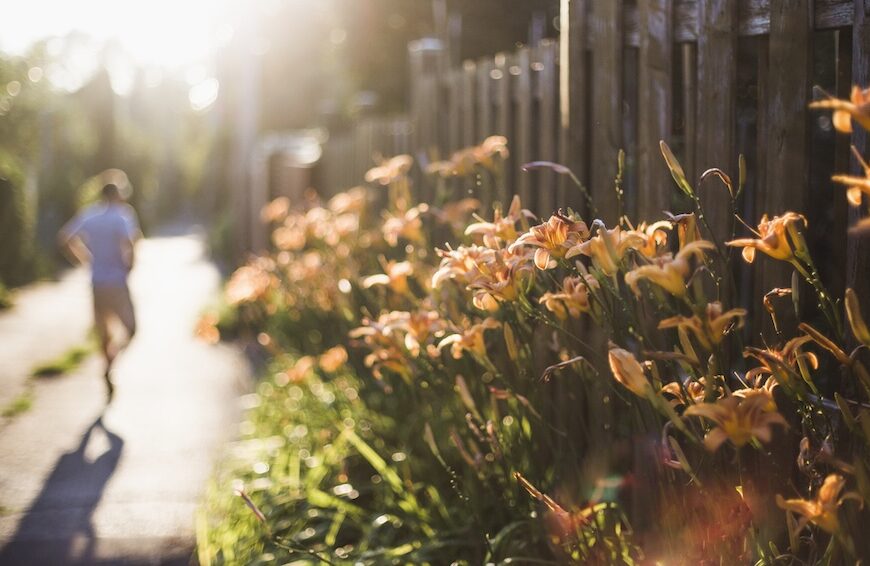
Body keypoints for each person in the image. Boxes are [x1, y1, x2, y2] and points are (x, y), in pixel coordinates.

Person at [58, 178, 141, 399]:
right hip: (117, 282)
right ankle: (110, 365)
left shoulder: (90, 215)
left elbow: (65, 238)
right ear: (116, 195)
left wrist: (86, 259)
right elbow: (130, 243)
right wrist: (129, 266)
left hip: (97, 282)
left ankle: (107, 367)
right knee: (131, 329)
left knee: (104, 333)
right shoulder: (122, 215)